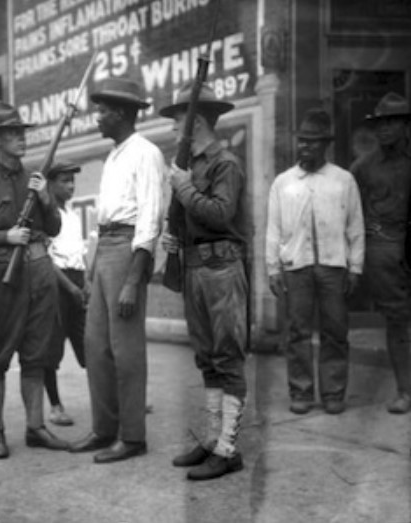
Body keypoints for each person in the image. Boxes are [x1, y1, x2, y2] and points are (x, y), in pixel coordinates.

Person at [0, 101, 69, 459]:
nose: (21, 139)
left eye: (22, 133)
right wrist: (5, 237)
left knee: (36, 354)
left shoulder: (35, 177)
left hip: (38, 273)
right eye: (13, 134)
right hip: (1, 277)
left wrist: (47, 198)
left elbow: (53, 228)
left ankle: (35, 428)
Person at [69, 77, 165, 464]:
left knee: (126, 350)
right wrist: (92, 269)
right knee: (96, 347)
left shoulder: (146, 153)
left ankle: (132, 437)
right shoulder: (113, 156)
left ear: (124, 113)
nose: (98, 117)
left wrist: (133, 279)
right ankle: (104, 428)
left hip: (128, 251)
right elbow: (102, 221)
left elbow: (150, 219)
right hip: (105, 249)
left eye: (104, 111)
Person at [160, 83, 250, 481]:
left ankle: (228, 448)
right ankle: (214, 440)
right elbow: (192, 219)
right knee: (206, 356)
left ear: (196, 120)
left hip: (221, 269)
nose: (172, 127)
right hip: (197, 268)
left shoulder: (224, 163)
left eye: (177, 119)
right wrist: (174, 235)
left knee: (227, 356)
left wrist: (181, 186)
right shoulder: (191, 165)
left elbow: (219, 214)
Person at [266, 108, 365, 417]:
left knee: (336, 330)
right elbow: (274, 229)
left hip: (334, 267)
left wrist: (356, 267)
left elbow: (356, 226)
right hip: (297, 267)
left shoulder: (343, 180)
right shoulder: (284, 183)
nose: (305, 147)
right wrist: (272, 267)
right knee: (297, 331)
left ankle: (334, 393)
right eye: (302, 142)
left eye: (312, 142)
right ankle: (301, 391)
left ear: (326, 145)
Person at [350, 92, 411, 414]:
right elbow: (352, 214)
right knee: (398, 322)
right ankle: (405, 391)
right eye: (380, 123)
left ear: (404, 125)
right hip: (385, 250)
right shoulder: (363, 168)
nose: (384, 129)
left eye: (392, 122)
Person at [44, 161, 88, 426]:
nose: (70, 186)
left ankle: (113, 399)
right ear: (50, 184)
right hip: (57, 285)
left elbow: (80, 253)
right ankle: (55, 405)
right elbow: (47, 259)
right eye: (64, 180)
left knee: (91, 343)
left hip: (77, 281)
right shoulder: (47, 216)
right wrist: (70, 287)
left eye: (73, 180)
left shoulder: (72, 215)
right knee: (52, 347)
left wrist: (86, 282)